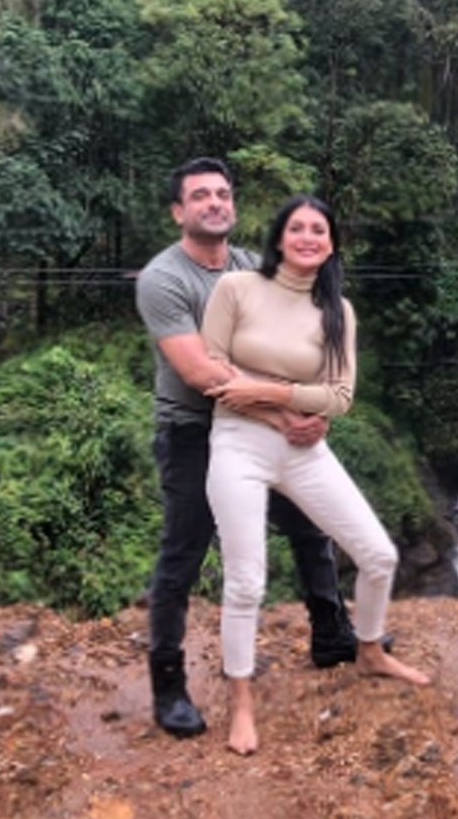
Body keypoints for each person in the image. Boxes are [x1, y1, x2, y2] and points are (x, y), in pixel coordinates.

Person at [136, 158, 385, 740]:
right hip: (194, 431)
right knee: (184, 550)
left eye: (223, 194)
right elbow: (202, 374)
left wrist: (314, 417)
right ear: (179, 211)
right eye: (200, 196)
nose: (215, 203)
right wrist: (287, 414)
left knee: (309, 527)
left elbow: (297, 347)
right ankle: (168, 686)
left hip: (266, 428)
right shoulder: (164, 279)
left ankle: (332, 635)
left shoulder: (253, 267)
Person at [203, 195, 430, 754]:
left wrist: (271, 390)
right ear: (279, 238)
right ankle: (242, 702)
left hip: (303, 449)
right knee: (247, 580)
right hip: (239, 443)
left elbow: (341, 396)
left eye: (319, 230)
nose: (308, 236)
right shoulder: (236, 290)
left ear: (331, 245)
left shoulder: (337, 311)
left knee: (379, 556)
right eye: (297, 228)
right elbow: (211, 372)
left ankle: (370, 650)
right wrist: (281, 411)